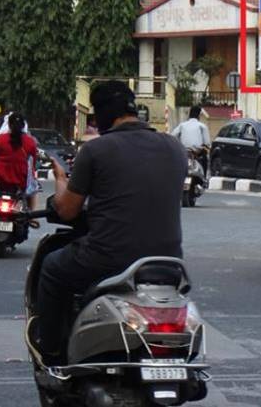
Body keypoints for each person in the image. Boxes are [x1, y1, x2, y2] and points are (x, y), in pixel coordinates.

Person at [36, 81, 186, 365]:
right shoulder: (175, 148)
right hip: (168, 264)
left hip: (108, 259)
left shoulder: (96, 151)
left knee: (52, 269)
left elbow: (67, 210)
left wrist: (60, 180)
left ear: (104, 114)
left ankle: (52, 353)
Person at [0, 113, 40, 216]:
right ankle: (33, 217)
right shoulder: (30, 142)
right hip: (20, 185)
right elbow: (32, 165)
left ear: (9, 125)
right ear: (24, 126)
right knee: (35, 188)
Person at [171, 105, 210, 173]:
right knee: (205, 158)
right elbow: (207, 143)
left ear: (189, 115)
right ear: (199, 116)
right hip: (196, 154)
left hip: (183, 152)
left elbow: (172, 135)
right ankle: (204, 179)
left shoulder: (182, 125)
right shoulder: (202, 126)